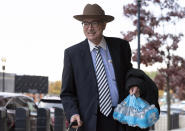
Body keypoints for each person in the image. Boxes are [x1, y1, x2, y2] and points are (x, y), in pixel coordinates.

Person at [60, 3, 159, 131]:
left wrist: (134, 85)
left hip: (120, 119)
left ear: (104, 24)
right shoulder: (72, 54)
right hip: (89, 122)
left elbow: (129, 73)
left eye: (94, 23)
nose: (89, 28)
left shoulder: (120, 47)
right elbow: (67, 93)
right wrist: (73, 113)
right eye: (85, 23)